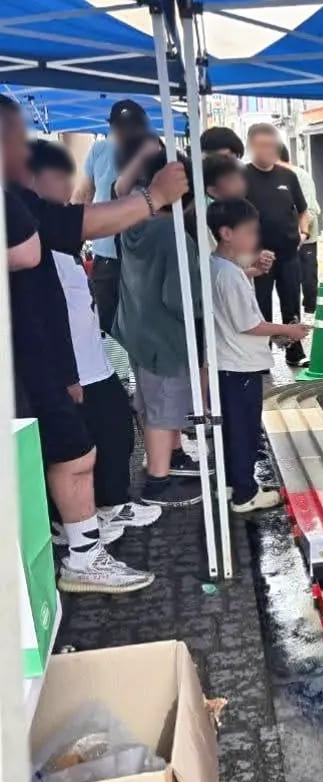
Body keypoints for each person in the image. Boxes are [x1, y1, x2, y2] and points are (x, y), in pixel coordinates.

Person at [3, 95, 186, 593]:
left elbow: (62, 229)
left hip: (46, 355)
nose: (23, 150)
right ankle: (78, 554)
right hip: (24, 359)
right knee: (72, 451)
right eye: (14, 138)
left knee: (75, 449)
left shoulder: (21, 200)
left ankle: (82, 550)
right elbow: (57, 235)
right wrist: (151, 199)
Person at [29, 140, 163, 534]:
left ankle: (109, 505)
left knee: (113, 430)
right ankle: (80, 527)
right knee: (81, 449)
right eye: (59, 179)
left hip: (91, 360)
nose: (68, 189)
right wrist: (66, 374)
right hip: (69, 369)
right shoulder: (34, 240)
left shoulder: (58, 235)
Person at [113, 147, 204, 507]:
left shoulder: (131, 225)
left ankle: (172, 457)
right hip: (166, 339)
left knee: (153, 403)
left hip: (137, 331)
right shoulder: (174, 235)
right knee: (163, 411)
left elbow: (120, 191)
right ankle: (158, 482)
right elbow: (182, 298)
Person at [208, 198, 310, 511]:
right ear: (227, 233)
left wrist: (251, 271)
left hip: (227, 364)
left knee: (232, 429)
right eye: (250, 232)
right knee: (244, 431)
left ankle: (230, 484)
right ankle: (245, 493)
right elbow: (249, 324)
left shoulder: (218, 265)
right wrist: (288, 330)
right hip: (240, 365)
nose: (256, 239)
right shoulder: (229, 275)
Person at [72, 99, 150, 334]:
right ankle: (117, 359)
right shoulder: (100, 149)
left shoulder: (152, 151)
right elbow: (82, 196)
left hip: (138, 255)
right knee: (111, 324)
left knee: (132, 325)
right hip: (112, 255)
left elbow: (82, 197)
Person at [243, 123, 310, 367]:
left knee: (291, 304)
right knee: (260, 306)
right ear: (251, 147)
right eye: (262, 145)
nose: (268, 150)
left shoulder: (288, 176)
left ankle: (295, 352)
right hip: (257, 258)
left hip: (289, 254)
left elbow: (303, 211)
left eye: (272, 145)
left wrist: (303, 233)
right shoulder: (242, 177)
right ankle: (262, 356)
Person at [278, 143, 321, 315]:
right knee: (289, 281)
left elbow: (309, 210)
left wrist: (301, 234)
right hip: (285, 239)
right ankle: (293, 317)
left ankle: (312, 311)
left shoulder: (300, 175)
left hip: (306, 237)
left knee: (308, 278)